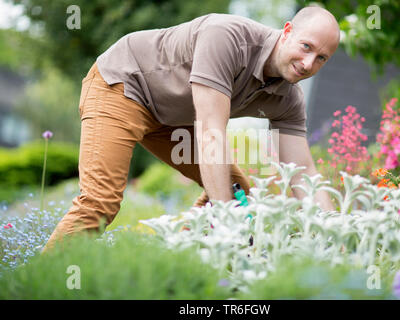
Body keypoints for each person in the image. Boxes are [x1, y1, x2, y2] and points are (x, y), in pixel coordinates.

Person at [42, 6, 340, 252]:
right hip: (122, 86)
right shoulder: (228, 38)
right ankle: (34, 286)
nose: (308, 63)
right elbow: (211, 132)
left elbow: (303, 169)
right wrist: (228, 224)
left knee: (238, 194)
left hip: (169, 119)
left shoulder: (288, 98)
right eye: (306, 47)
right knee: (100, 202)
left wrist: (336, 235)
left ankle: (173, 260)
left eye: (321, 58)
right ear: (287, 32)